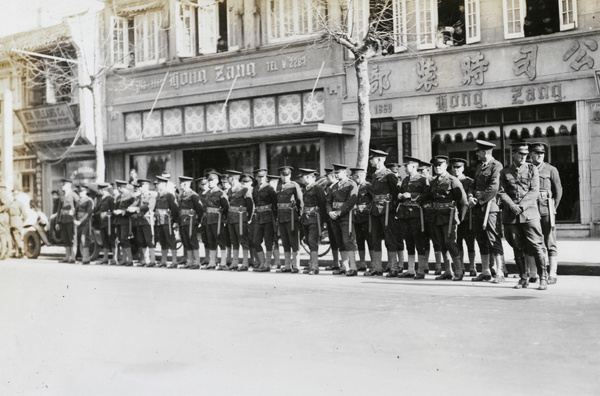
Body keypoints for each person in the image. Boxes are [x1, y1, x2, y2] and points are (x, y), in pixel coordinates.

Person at [498, 142, 548, 290]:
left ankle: (543, 278)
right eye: (520, 154)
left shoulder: (532, 169)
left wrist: (521, 206)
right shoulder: (505, 171)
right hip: (511, 215)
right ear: (513, 154)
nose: (522, 157)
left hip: (530, 214)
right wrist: (512, 206)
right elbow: (501, 191)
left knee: (536, 246)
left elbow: (534, 191)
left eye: (525, 155)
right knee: (517, 247)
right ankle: (523, 278)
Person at [468, 140, 505, 283]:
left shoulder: (497, 166)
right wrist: (471, 196)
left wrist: (480, 199)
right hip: (478, 207)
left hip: (490, 208)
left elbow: (494, 188)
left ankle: (500, 272)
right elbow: (472, 185)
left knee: (493, 238)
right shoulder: (479, 167)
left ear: (485, 152)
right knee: (480, 238)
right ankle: (485, 271)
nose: (477, 154)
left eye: (479, 151)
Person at [425, 156, 468, 281]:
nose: (438, 167)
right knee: (441, 244)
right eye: (436, 166)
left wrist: (460, 218)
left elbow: (463, 201)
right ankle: (448, 271)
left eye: (440, 165)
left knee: (450, 242)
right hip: (436, 216)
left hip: (449, 217)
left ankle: (459, 271)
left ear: (445, 166)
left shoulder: (452, 180)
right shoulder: (433, 181)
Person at [527, 142, 563, 285]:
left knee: (549, 240)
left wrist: (553, 207)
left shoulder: (550, 169)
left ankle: (552, 273)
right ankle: (534, 273)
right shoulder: (527, 169)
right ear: (530, 154)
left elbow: (558, 190)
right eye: (536, 153)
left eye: (542, 153)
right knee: (532, 240)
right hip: (531, 208)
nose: (539, 155)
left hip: (546, 207)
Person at [366, 149, 400, 277]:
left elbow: (396, 193)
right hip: (375, 210)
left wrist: (393, 209)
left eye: (372, 159)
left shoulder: (389, 175)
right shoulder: (374, 175)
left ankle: (393, 267)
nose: (370, 161)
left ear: (379, 160)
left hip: (387, 211)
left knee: (389, 239)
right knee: (375, 239)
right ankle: (377, 267)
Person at [397, 157, 429, 279]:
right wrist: (400, 195)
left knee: (419, 241)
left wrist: (412, 195)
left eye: (407, 166)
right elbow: (400, 191)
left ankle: (420, 269)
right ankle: (410, 269)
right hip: (405, 213)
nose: (405, 168)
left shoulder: (422, 180)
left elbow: (427, 195)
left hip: (416, 214)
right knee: (409, 241)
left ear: (414, 167)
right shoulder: (405, 180)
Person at [327, 164, 359, 276]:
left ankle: (353, 267)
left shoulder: (351, 184)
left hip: (345, 216)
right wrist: (330, 211)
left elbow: (351, 201)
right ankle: (344, 267)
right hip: (334, 216)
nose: (336, 175)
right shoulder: (334, 186)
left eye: (338, 173)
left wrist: (339, 212)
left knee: (348, 241)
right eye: (335, 173)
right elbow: (328, 201)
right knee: (339, 242)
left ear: (345, 173)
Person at [450, 158, 477, 276]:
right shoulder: (450, 181)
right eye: (454, 167)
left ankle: (472, 266)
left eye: (458, 167)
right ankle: (460, 266)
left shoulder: (469, 182)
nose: (456, 170)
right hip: (454, 216)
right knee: (458, 242)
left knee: (470, 242)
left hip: (467, 216)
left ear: (463, 168)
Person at [299, 168, 327, 275]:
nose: (304, 178)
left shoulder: (318, 188)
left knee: (312, 241)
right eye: (303, 176)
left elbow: (323, 205)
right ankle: (311, 263)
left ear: (313, 178)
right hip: (306, 218)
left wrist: (323, 221)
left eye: (307, 176)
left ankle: (315, 267)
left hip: (315, 218)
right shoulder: (306, 189)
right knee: (308, 241)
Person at [276, 166, 303, 273]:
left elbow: (300, 201)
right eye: (283, 175)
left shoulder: (294, 185)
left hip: (292, 217)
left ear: (290, 175)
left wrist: (300, 216)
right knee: (285, 241)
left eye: (287, 175)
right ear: (280, 175)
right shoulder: (278, 186)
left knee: (294, 241)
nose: (285, 177)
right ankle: (287, 265)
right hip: (281, 217)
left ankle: (296, 265)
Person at [226, 170, 254, 271]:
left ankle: (245, 263)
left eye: (228, 178)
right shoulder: (229, 190)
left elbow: (250, 205)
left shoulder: (244, 190)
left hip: (241, 219)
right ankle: (235, 262)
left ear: (232, 178)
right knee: (234, 240)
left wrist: (249, 218)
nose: (227, 180)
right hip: (231, 219)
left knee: (243, 240)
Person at [252, 169, 278, 272]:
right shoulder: (255, 189)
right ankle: (262, 262)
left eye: (262, 177)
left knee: (268, 241)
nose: (260, 179)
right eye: (258, 177)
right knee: (256, 241)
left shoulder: (270, 189)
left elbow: (275, 204)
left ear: (266, 177)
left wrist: (275, 219)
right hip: (259, 217)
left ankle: (267, 264)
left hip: (269, 217)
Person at [202, 171, 229, 270]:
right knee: (211, 241)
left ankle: (223, 262)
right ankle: (212, 262)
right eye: (208, 180)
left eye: (211, 180)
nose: (209, 182)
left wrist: (223, 218)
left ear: (217, 181)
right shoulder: (208, 193)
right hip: (209, 219)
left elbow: (226, 207)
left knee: (220, 240)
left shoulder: (221, 193)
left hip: (217, 220)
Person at [176, 176, 204, 269]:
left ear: (187, 184)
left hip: (191, 221)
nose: (181, 185)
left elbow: (200, 209)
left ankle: (197, 262)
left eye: (182, 183)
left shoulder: (193, 195)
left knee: (193, 241)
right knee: (186, 241)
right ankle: (190, 261)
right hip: (183, 221)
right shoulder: (181, 195)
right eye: (181, 183)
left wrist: (199, 220)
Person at [128, 179, 157, 267]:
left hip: (147, 221)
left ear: (146, 186)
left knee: (149, 241)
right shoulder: (138, 196)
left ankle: (152, 260)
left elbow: (149, 206)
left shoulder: (151, 195)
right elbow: (134, 204)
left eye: (141, 186)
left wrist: (137, 209)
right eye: (139, 186)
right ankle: (145, 260)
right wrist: (130, 208)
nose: (140, 188)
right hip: (139, 221)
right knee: (141, 241)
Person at [350, 167, 373, 272]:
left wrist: (367, 209)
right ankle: (362, 263)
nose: (352, 178)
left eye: (353, 176)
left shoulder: (368, 186)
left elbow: (374, 200)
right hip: (356, 217)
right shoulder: (354, 187)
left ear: (358, 176)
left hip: (367, 217)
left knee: (370, 239)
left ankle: (373, 263)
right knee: (359, 240)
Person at [154, 175, 180, 268]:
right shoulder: (158, 195)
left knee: (171, 240)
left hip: (167, 221)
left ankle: (174, 261)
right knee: (162, 241)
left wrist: (175, 221)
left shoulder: (169, 195)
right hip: (159, 221)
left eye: (159, 183)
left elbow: (175, 209)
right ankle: (163, 261)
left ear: (164, 184)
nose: (157, 185)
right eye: (157, 183)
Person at [53, 178, 79, 263]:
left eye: (64, 185)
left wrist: (75, 215)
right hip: (63, 220)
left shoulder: (74, 195)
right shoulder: (62, 196)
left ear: (69, 185)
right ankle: (67, 257)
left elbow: (79, 207)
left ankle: (73, 257)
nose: (62, 186)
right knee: (65, 239)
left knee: (72, 239)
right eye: (62, 185)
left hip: (71, 220)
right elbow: (59, 210)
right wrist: (57, 222)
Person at [112, 180, 136, 266]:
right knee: (120, 240)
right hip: (118, 221)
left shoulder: (130, 196)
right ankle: (124, 259)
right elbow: (115, 206)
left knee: (124, 239)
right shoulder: (118, 196)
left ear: (121, 187)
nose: (117, 190)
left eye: (118, 188)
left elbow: (133, 209)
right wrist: (115, 211)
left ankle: (130, 260)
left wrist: (122, 211)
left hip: (126, 220)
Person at [322, 167, 341, 271]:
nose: (326, 178)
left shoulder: (338, 187)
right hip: (330, 217)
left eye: (327, 176)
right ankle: (336, 263)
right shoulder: (328, 187)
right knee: (333, 240)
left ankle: (344, 264)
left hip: (338, 216)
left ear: (333, 176)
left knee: (340, 240)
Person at [93, 183, 115, 265]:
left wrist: (107, 214)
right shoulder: (102, 199)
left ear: (103, 190)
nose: (99, 191)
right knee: (105, 240)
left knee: (112, 240)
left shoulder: (110, 199)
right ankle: (105, 258)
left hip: (109, 223)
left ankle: (114, 258)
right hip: (102, 223)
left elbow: (113, 211)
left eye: (99, 190)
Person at [0, 190, 26, 258]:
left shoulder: (20, 204)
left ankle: (20, 251)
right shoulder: (10, 203)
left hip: (17, 221)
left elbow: (25, 214)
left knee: (17, 237)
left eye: (16, 194)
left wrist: (22, 221)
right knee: (12, 237)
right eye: (14, 194)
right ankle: (16, 252)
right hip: (10, 222)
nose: (15, 196)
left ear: (18, 195)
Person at [74, 185, 94, 264]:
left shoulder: (89, 200)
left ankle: (86, 258)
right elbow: (76, 212)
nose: (80, 193)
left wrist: (80, 221)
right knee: (79, 240)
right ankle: (83, 257)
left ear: (85, 192)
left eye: (81, 191)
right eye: (79, 192)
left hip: (86, 223)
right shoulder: (78, 201)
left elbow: (88, 213)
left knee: (84, 240)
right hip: (78, 223)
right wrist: (75, 220)